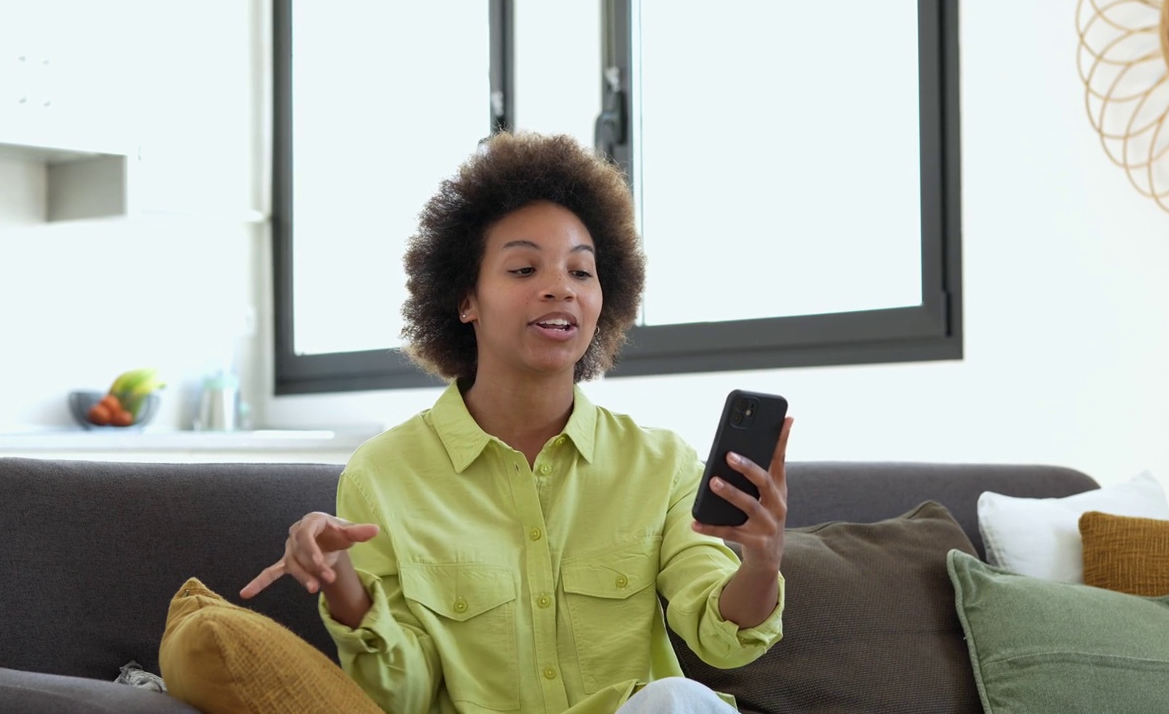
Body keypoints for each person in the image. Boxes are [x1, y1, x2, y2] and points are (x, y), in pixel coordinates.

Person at [241, 131, 793, 713]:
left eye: (582, 273)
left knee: (681, 699)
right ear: (465, 301)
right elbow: (399, 696)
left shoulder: (659, 464)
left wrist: (760, 563)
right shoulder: (383, 474)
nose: (560, 288)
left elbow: (722, 639)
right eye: (525, 269)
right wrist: (344, 587)